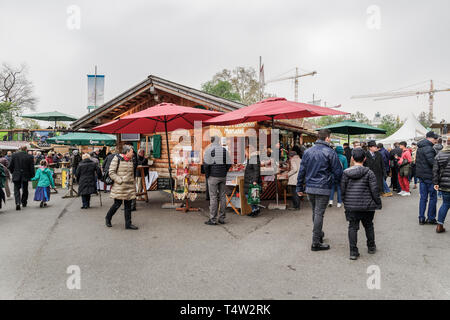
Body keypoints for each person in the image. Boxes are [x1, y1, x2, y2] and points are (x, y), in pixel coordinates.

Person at [296, 129, 343, 251]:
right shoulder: (330, 152)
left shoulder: (307, 151)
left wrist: (299, 186)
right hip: (323, 187)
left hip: (310, 187)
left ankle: (319, 234)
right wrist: (336, 182)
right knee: (318, 213)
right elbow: (338, 171)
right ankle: (316, 242)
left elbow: (302, 171)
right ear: (327, 138)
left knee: (315, 212)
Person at [341, 148, 382, 260]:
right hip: (367, 205)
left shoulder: (345, 173)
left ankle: (353, 252)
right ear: (364, 158)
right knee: (369, 225)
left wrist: (346, 202)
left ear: (352, 158)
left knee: (353, 227)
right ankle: (371, 247)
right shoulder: (369, 172)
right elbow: (374, 190)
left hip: (351, 206)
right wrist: (378, 203)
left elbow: (343, 190)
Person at [105, 145, 138, 230]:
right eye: (131, 151)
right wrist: (120, 180)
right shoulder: (117, 158)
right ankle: (108, 218)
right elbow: (111, 172)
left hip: (129, 187)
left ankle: (128, 224)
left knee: (128, 205)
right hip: (119, 187)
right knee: (117, 204)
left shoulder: (131, 160)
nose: (133, 153)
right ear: (127, 152)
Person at [203, 136, 232, 225]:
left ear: (211, 141)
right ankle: (222, 218)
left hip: (213, 176)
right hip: (222, 176)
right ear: (219, 141)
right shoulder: (224, 150)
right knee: (223, 197)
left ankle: (213, 219)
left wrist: (208, 175)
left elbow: (206, 165)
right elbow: (229, 163)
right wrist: (224, 171)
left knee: (213, 197)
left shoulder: (209, 150)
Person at [416, 131, 439, 225]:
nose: (436, 140)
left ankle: (421, 217)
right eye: (434, 138)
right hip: (430, 176)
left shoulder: (420, 147)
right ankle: (431, 218)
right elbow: (433, 163)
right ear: (429, 138)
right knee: (433, 197)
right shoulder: (428, 148)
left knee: (423, 198)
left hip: (422, 176)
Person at [8, 146, 35, 211]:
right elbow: (31, 167)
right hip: (25, 175)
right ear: (26, 149)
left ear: (20, 149)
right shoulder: (30, 156)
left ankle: (17, 202)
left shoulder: (14, 155)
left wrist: (13, 172)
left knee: (16, 189)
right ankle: (24, 202)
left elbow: (10, 166)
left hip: (16, 174)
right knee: (25, 189)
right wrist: (32, 175)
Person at [433, 139, 450, 233]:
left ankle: (439, 226)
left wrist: (436, 183)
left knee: (445, 204)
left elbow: (435, 170)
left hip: (444, 184)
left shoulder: (440, 154)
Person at [244, 144, 262, 217]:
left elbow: (256, 170)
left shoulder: (254, 159)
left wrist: (255, 180)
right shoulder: (250, 159)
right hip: (249, 179)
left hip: (251, 180)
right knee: (251, 196)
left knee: (250, 196)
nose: (245, 153)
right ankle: (255, 209)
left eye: (245, 151)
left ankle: (255, 209)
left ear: (249, 151)